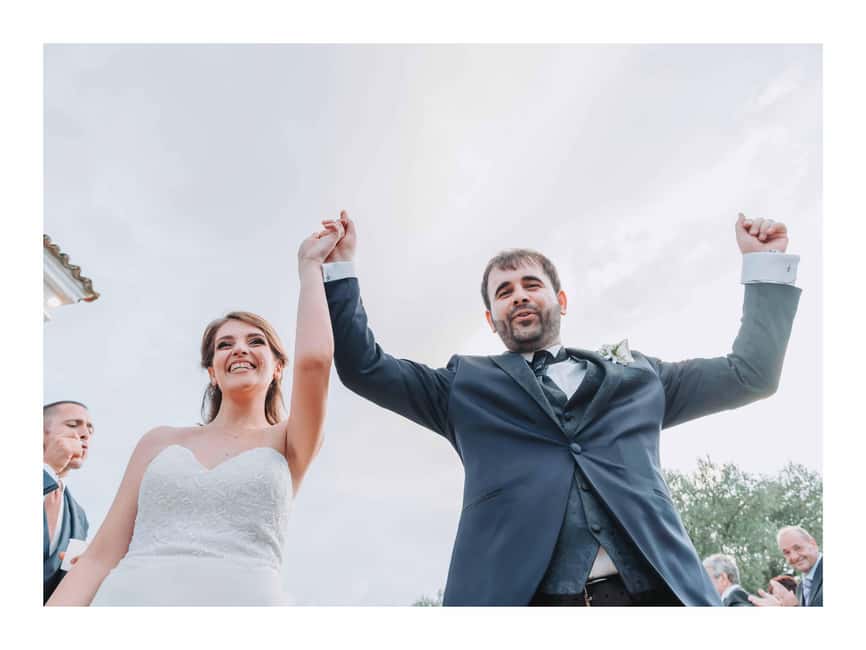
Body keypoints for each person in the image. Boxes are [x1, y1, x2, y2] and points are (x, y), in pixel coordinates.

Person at [323, 210, 800, 606]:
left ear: (561, 300)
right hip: (528, 602)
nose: (520, 295)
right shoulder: (461, 387)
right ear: (492, 319)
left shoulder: (639, 376)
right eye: (504, 292)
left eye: (531, 284)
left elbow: (749, 375)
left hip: (656, 595)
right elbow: (365, 368)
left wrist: (764, 267)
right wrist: (340, 271)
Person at [46, 220, 343, 606]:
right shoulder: (160, 441)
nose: (239, 349)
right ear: (211, 371)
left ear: (278, 367)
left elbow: (317, 361)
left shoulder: (290, 442)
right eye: (225, 344)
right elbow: (99, 557)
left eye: (256, 341)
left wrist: (309, 267)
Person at [43, 400, 94, 603]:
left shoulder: (80, 517)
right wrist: (48, 468)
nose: (85, 434)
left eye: (90, 429)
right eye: (73, 425)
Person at [750, 526, 822, 607]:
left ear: (813, 544)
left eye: (797, 548)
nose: (794, 557)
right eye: (787, 553)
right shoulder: (800, 588)